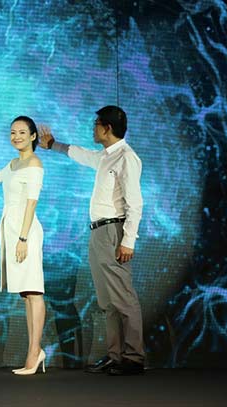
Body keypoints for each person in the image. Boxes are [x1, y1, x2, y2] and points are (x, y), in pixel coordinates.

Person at [38, 105, 145, 376]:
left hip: (113, 232)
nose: (93, 128)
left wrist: (128, 241)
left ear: (107, 128)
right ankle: (114, 355)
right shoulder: (106, 156)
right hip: (98, 232)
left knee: (123, 297)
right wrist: (54, 145)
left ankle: (133, 357)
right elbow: (83, 155)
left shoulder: (126, 157)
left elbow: (135, 204)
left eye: (96, 124)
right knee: (107, 300)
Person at [0, 116, 46, 375]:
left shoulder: (34, 163)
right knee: (26, 293)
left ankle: (34, 353)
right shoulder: (14, 163)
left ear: (33, 136)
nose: (16, 137)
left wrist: (23, 239)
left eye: (22, 132)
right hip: (12, 231)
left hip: (26, 232)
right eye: (13, 132)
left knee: (34, 291)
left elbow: (31, 203)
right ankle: (34, 352)